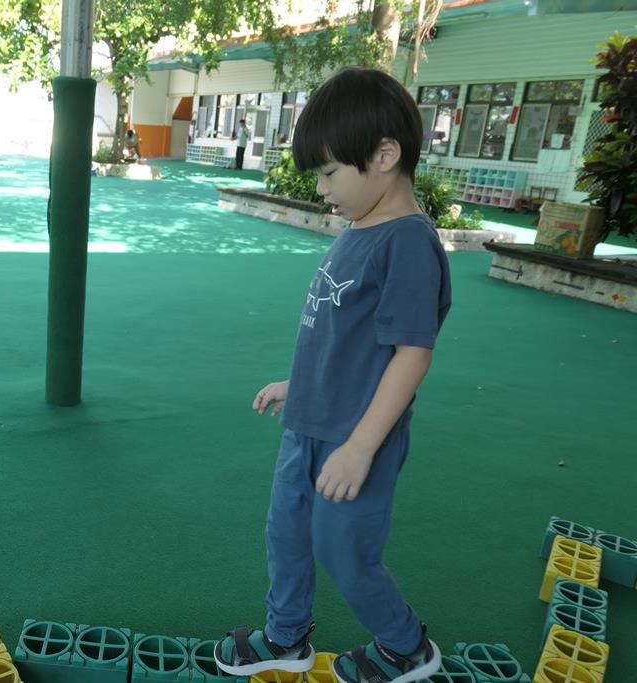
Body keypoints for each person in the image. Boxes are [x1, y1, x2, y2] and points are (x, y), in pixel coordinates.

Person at [212, 67, 452, 683]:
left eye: (328, 173)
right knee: (287, 535)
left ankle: (405, 646)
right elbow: (345, 339)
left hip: (355, 437)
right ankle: (285, 635)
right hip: (309, 424)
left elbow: (412, 355)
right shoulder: (359, 228)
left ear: (385, 156)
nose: (322, 189)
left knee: (346, 553)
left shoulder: (407, 243)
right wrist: (300, 386)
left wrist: (360, 448)